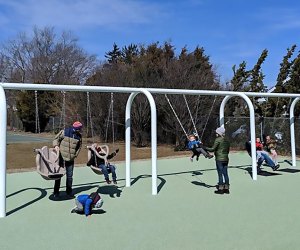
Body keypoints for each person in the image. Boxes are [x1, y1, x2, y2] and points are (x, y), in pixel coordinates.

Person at [52, 121, 83, 198]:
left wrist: (75, 155)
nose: (79, 130)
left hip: (71, 158)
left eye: (80, 129)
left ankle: (69, 192)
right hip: (61, 157)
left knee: (69, 176)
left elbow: (79, 146)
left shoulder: (79, 136)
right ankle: (56, 192)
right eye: (79, 129)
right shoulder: (64, 132)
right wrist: (56, 145)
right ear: (75, 128)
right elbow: (56, 139)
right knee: (59, 175)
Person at [205, 127, 230, 194]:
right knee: (225, 173)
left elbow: (212, 149)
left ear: (219, 133)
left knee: (220, 174)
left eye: (216, 132)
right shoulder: (227, 140)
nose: (216, 133)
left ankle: (221, 189)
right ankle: (227, 189)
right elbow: (228, 150)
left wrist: (204, 147)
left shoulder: (218, 139)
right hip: (226, 158)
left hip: (219, 159)